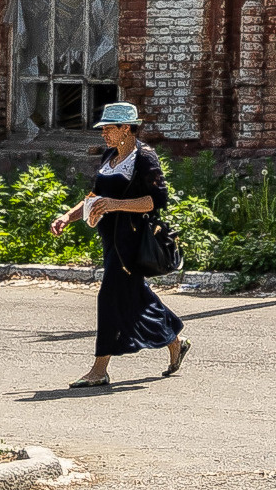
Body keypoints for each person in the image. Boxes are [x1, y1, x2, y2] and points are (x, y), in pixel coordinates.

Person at [51, 102, 189, 387]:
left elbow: (155, 202)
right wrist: (69, 216)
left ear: (126, 128)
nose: (103, 133)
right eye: (103, 128)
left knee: (109, 297)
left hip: (133, 240)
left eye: (108, 128)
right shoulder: (109, 155)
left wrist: (116, 205)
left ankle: (99, 369)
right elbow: (95, 196)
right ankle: (175, 340)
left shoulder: (145, 159)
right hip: (110, 239)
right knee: (135, 296)